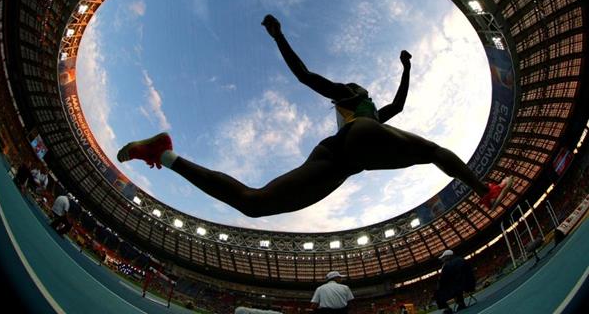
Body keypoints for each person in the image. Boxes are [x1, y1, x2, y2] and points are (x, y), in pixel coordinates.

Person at [117, 14, 513, 217]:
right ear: (357, 92)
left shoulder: (371, 111)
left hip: (334, 156)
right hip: (357, 142)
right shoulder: (353, 97)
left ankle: (165, 154)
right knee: (435, 151)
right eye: (362, 89)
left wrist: (406, 69)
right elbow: (306, 76)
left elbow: (398, 106)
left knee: (255, 203)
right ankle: (485, 192)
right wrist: (279, 37)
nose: (364, 89)